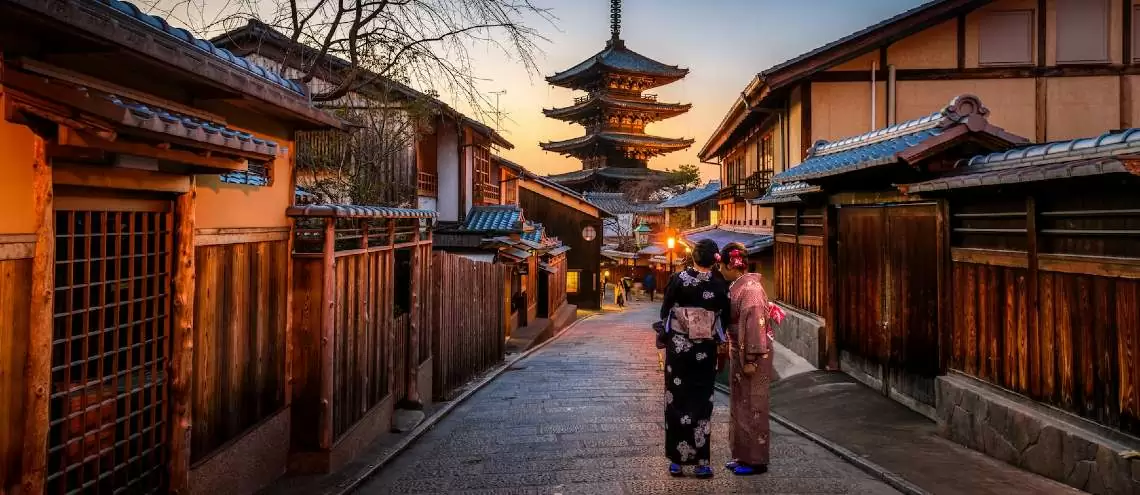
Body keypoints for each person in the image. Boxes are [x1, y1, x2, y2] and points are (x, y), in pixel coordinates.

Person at [657, 239, 730, 478]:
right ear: (715, 259)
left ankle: (677, 461)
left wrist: (666, 333)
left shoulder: (678, 279)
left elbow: (666, 311)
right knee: (701, 402)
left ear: (693, 256)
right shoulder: (720, 284)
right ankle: (702, 462)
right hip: (704, 351)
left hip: (679, 350)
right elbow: (724, 317)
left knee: (676, 400)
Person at [719, 242, 781, 476]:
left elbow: (755, 325)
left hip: (753, 353)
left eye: (721, 266)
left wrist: (751, 358)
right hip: (740, 349)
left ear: (729, 265)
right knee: (740, 403)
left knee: (753, 405)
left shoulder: (751, 290)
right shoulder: (740, 286)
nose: (720, 270)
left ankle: (756, 460)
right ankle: (742, 454)